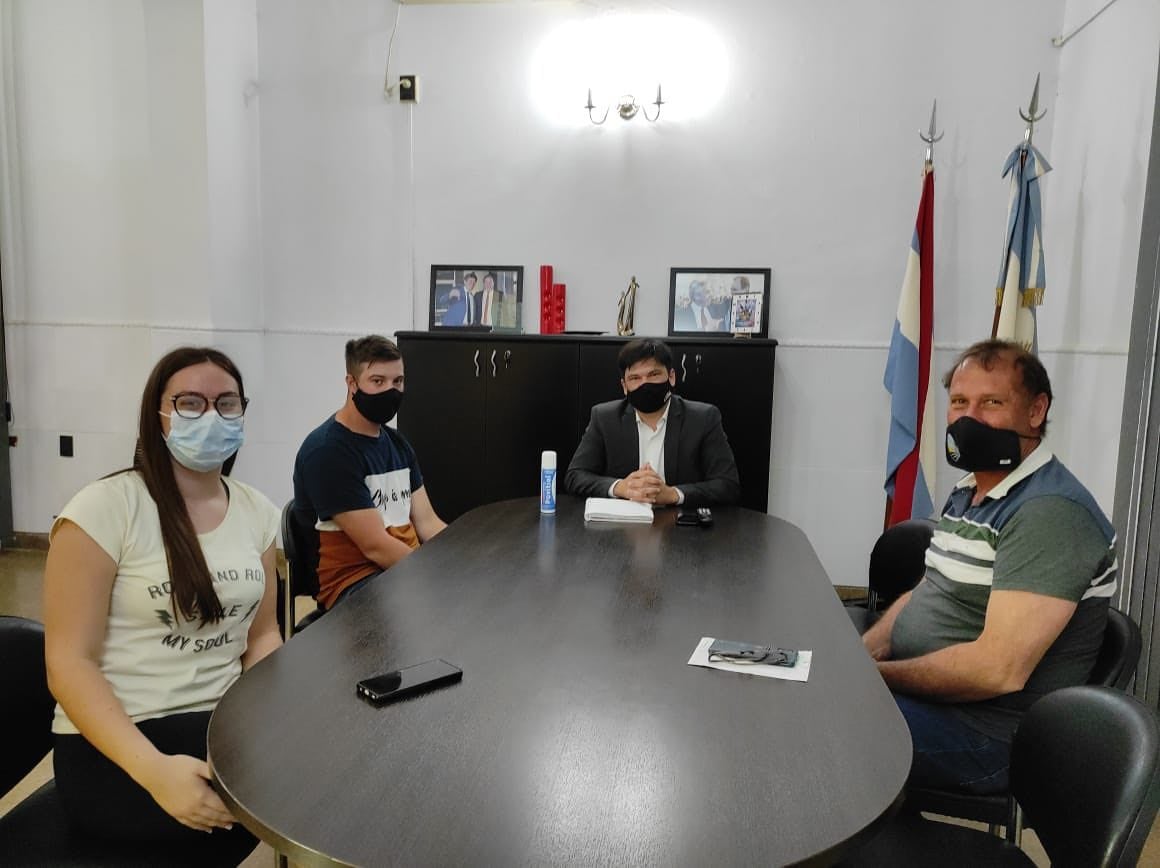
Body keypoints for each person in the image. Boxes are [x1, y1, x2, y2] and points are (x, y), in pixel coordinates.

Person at [43, 347, 280, 864]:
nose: (211, 416)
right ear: (159, 416)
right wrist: (153, 771)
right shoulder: (102, 510)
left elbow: (262, 636)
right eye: (190, 403)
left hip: (221, 725)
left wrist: (268, 724)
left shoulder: (258, 512)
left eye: (227, 403)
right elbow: (68, 663)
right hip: (117, 741)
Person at [862, 339, 1117, 795]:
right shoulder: (971, 490)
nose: (969, 418)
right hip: (933, 704)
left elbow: (997, 670)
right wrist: (862, 654)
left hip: (990, 738)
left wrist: (874, 677)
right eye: (960, 402)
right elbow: (929, 589)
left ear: (1036, 411)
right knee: (802, 695)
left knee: (815, 726)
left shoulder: (1050, 512)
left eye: (991, 403)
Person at [292, 335, 446, 610]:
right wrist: (432, 576)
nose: (390, 390)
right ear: (352, 383)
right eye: (378, 381)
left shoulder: (397, 444)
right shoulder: (329, 452)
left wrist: (462, 558)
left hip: (401, 571)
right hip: (353, 584)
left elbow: (428, 523)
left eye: (397, 381)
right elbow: (375, 547)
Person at [564, 338, 741, 507]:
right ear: (624, 386)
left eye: (654, 374)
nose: (645, 384)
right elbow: (575, 476)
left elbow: (728, 485)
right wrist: (622, 487)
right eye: (635, 378)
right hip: (623, 522)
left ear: (671, 377)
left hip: (680, 522)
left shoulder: (703, 418)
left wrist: (673, 494)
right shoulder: (605, 418)